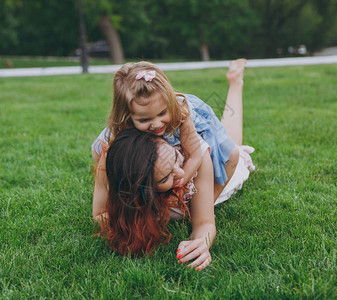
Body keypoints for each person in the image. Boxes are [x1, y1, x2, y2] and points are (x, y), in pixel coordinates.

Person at [92, 59, 254, 269]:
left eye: (162, 114)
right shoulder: (116, 150)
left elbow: (204, 222)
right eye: (145, 120)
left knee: (233, 150)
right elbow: (101, 214)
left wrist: (201, 240)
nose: (157, 124)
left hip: (206, 176)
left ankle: (235, 83)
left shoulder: (188, 133)